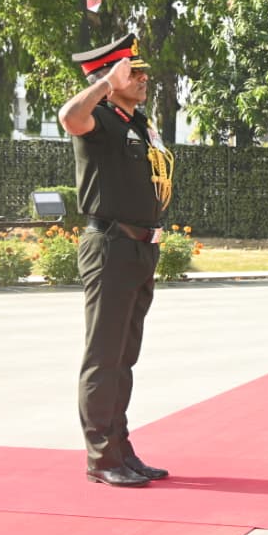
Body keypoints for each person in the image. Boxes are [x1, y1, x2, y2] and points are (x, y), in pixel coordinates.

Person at [57, 32, 174, 488]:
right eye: (134, 72)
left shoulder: (138, 122)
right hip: (109, 245)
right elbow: (69, 116)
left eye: (144, 71)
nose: (144, 78)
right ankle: (100, 458)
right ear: (110, 76)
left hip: (140, 248)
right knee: (103, 357)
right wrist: (107, 82)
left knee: (125, 357)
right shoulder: (99, 119)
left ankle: (121, 449)